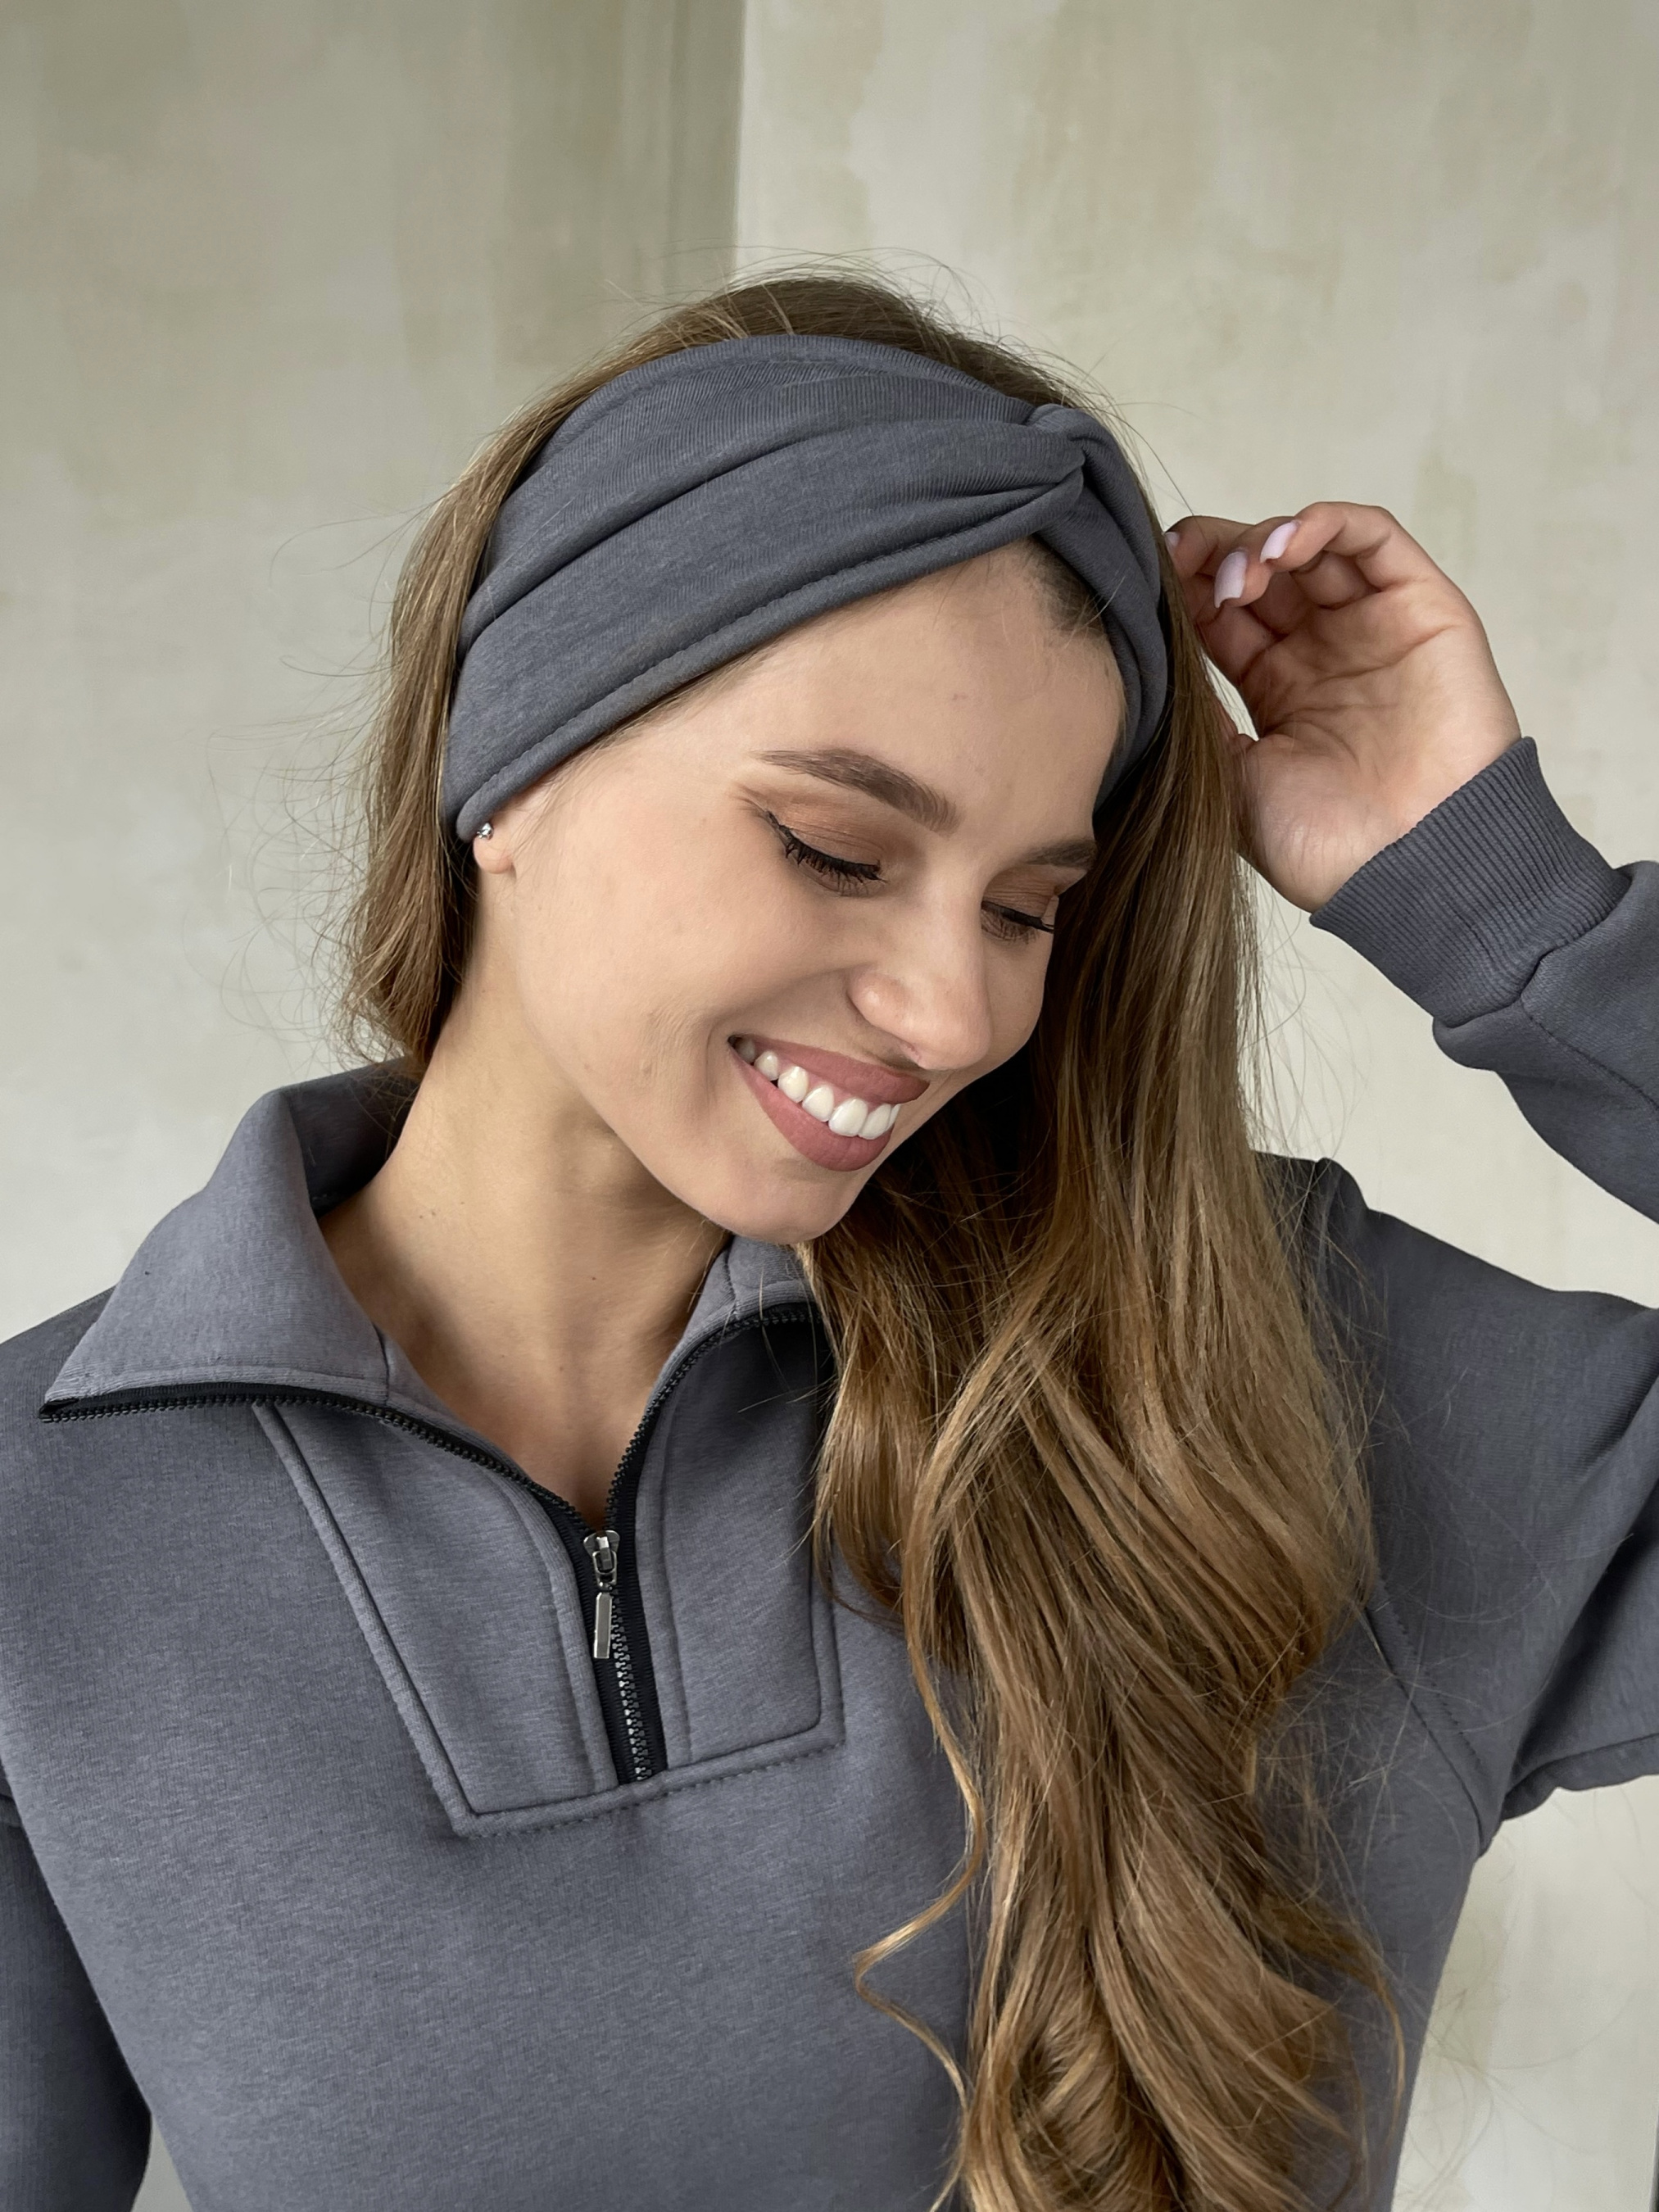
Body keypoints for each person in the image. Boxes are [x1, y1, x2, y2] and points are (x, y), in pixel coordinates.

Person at [1, 274, 1654, 2212]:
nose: (953, 1012)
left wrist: (1509, 917)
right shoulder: (47, 1532)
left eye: (1027, 906)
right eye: (835, 849)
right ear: (507, 767)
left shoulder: (1274, 1368)